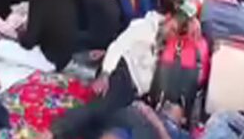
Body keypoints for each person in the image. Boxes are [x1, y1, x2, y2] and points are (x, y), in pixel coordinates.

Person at [42, 10, 167, 138]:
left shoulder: (170, 50)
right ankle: (54, 132)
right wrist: (105, 73)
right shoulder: (146, 27)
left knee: (105, 122)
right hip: (122, 72)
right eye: (173, 27)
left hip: (135, 93)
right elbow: (118, 46)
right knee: (101, 107)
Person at [0, 0, 78, 72]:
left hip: (50, 60)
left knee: (1, 46)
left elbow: (29, 43)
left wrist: (19, 33)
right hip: (68, 57)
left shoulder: (39, 0)